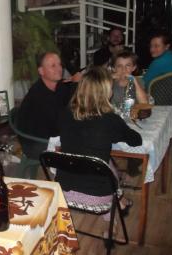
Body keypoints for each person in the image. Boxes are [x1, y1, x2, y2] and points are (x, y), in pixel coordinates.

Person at [57, 67, 142, 214]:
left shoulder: (67, 113)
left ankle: (121, 203)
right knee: (103, 165)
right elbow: (136, 141)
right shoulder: (109, 120)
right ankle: (112, 225)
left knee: (98, 160)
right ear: (106, 92)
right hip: (98, 197)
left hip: (63, 191)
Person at [17, 51, 81, 159]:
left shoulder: (58, 85)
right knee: (84, 143)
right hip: (36, 144)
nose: (59, 68)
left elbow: (67, 98)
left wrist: (74, 83)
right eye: (53, 66)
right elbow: (61, 120)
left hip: (51, 135)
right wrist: (75, 84)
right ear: (41, 71)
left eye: (60, 64)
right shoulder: (38, 94)